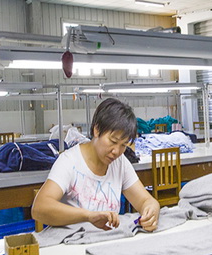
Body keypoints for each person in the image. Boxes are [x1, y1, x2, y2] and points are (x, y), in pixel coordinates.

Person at [32, 98, 160, 232]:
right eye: (113, 141)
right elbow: (40, 208)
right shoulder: (69, 161)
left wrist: (151, 211)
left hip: (107, 240)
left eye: (123, 145)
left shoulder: (120, 162)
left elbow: (146, 201)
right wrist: (88, 216)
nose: (116, 151)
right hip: (74, 240)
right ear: (97, 130)